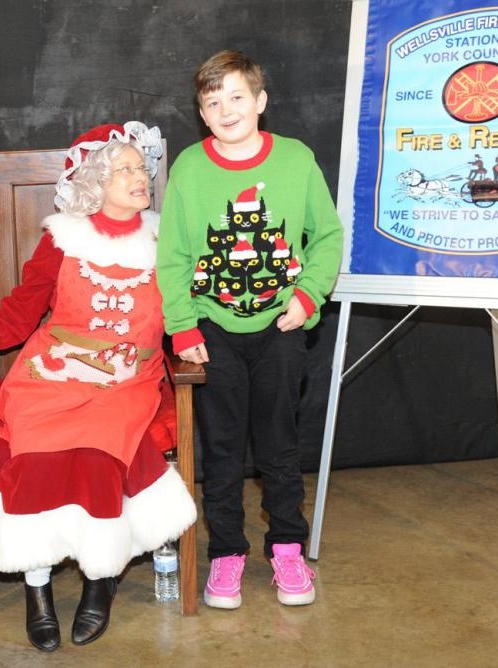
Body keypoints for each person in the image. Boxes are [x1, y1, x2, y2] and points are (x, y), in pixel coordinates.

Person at [0, 122, 196, 652]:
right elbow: (20, 310)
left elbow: (184, 312)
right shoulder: (62, 239)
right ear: (96, 181)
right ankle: (36, 588)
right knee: (32, 445)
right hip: (53, 370)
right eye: (123, 170)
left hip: (128, 377)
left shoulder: (166, 238)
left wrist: (201, 341)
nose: (141, 177)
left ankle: (99, 580)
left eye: (141, 168)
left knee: (102, 445)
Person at [155, 50, 343, 610]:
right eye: (212, 102)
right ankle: (228, 553)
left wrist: (307, 296)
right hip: (211, 329)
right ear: (202, 115)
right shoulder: (190, 167)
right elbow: (173, 255)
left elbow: (327, 236)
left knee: (280, 446)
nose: (225, 109)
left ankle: (287, 545)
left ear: (260, 102)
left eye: (236, 97)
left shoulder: (295, 159)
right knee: (221, 448)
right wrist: (182, 327)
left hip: (280, 326)